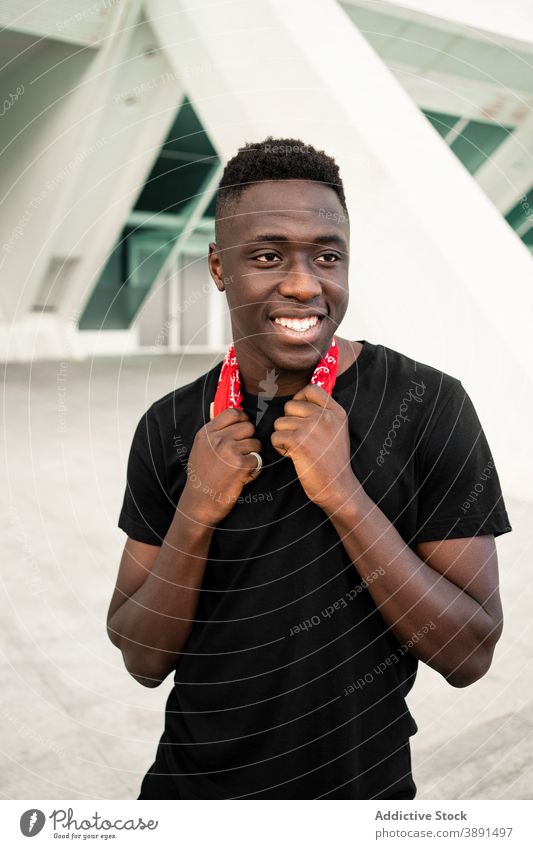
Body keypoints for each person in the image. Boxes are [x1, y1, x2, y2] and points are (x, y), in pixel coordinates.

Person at [106, 137, 512, 800]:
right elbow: (141, 656)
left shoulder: (429, 404)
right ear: (217, 266)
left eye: (327, 256)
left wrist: (345, 495)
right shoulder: (170, 424)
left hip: (362, 797)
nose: (303, 283)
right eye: (267, 256)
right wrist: (194, 513)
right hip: (189, 796)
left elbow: (468, 653)